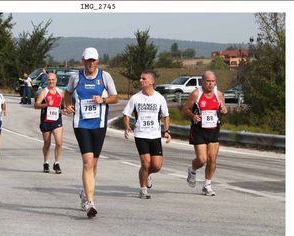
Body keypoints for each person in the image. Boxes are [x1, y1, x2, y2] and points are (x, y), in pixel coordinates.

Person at [64, 47, 118, 218]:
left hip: (99, 124)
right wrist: (67, 105)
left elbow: (115, 97)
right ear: (83, 61)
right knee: (87, 162)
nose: (91, 63)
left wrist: (103, 100)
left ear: (98, 61)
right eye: (88, 60)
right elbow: (67, 93)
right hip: (81, 124)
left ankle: (85, 192)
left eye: (93, 60)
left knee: (93, 164)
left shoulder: (105, 76)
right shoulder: (75, 77)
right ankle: (90, 202)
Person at [123, 71, 171, 199]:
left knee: (156, 166)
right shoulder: (135, 98)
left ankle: (147, 174)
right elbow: (126, 114)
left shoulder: (159, 98)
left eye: (143, 78)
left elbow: (166, 116)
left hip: (155, 135)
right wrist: (127, 127)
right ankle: (143, 189)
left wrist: (167, 131)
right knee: (145, 163)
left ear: (151, 82)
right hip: (140, 134)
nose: (140, 80)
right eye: (140, 78)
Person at [182, 70, 227, 196]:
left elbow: (223, 108)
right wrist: (193, 116)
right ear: (202, 82)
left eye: (213, 81)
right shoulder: (196, 94)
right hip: (199, 130)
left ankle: (207, 185)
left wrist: (224, 109)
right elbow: (185, 108)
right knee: (202, 160)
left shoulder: (218, 94)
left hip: (213, 130)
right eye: (208, 81)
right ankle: (192, 169)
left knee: (212, 159)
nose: (210, 84)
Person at [34, 73, 63, 174]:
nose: (51, 82)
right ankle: (46, 162)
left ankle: (56, 163)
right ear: (47, 81)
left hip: (56, 120)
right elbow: (36, 105)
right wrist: (46, 104)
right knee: (47, 143)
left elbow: (64, 104)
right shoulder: (44, 91)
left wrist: (67, 109)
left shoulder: (60, 91)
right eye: (49, 80)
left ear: (56, 80)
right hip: (46, 120)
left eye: (53, 80)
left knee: (59, 142)